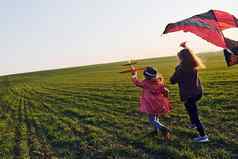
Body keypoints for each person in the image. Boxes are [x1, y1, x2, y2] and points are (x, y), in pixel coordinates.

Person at [170, 42, 209, 143]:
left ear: (182, 58)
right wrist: (186, 47)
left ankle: (203, 136)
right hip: (197, 92)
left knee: (194, 113)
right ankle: (193, 123)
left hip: (189, 94)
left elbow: (172, 81)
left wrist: (176, 71)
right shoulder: (194, 63)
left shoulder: (180, 68)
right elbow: (191, 54)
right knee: (188, 107)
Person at [131, 66, 172, 140]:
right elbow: (166, 91)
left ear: (145, 76)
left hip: (150, 105)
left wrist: (134, 74)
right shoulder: (159, 81)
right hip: (159, 104)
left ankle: (163, 128)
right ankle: (155, 131)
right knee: (156, 118)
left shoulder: (146, 83)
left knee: (152, 120)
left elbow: (136, 82)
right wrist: (165, 98)